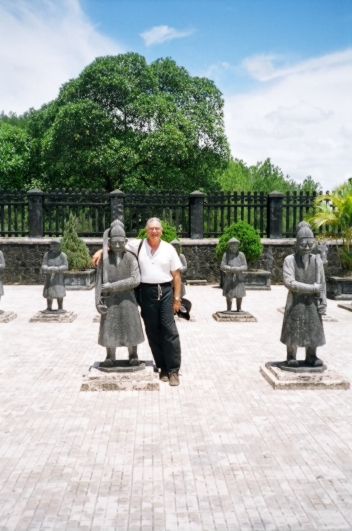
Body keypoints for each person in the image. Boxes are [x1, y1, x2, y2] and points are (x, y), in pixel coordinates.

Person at [93, 218, 183, 386]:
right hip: (146, 292)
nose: (154, 231)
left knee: (169, 330)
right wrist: (101, 251)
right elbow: (114, 247)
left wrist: (177, 299)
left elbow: (176, 276)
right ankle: (161, 366)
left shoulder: (168, 248)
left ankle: (173, 370)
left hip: (164, 291)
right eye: (151, 229)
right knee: (152, 330)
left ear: (161, 230)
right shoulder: (137, 245)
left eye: (157, 228)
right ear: (146, 230)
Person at [96, 220, 144, 367]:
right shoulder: (104, 261)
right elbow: (98, 283)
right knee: (109, 326)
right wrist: (98, 302)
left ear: (126, 241)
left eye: (120, 242)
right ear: (109, 241)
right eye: (114, 242)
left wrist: (113, 286)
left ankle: (133, 355)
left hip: (128, 300)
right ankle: (110, 356)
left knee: (131, 327)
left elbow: (135, 280)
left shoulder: (131, 258)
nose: (117, 246)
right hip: (109, 302)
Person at [280, 221, 326, 367]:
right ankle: (291, 355)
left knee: (313, 328)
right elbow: (290, 283)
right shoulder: (289, 260)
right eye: (303, 244)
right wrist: (312, 288)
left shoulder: (317, 261)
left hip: (312, 303)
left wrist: (323, 301)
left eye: (310, 243)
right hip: (295, 301)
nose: (307, 247)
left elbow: (322, 284)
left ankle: (311, 355)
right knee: (294, 329)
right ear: (296, 244)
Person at [41, 239, 68, 313]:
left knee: (59, 291)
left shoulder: (62, 255)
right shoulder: (47, 255)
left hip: (59, 277)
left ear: (59, 246)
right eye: (52, 246)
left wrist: (58, 269)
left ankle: (60, 307)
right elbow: (43, 265)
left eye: (56, 246)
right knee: (49, 292)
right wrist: (47, 268)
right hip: (49, 277)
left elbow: (66, 266)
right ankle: (49, 307)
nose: (54, 248)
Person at [220, 237, 247, 312]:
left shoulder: (241, 255)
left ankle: (239, 308)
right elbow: (222, 266)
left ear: (238, 246)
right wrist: (230, 268)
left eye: (235, 245)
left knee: (239, 293)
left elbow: (245, 266)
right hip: (229, 276)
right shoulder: (226, 254)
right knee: (229, 293)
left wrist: (239, 269)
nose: (234, 247)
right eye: (232, 245)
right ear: (229, 246)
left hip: (239, 276)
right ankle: (229, 308)